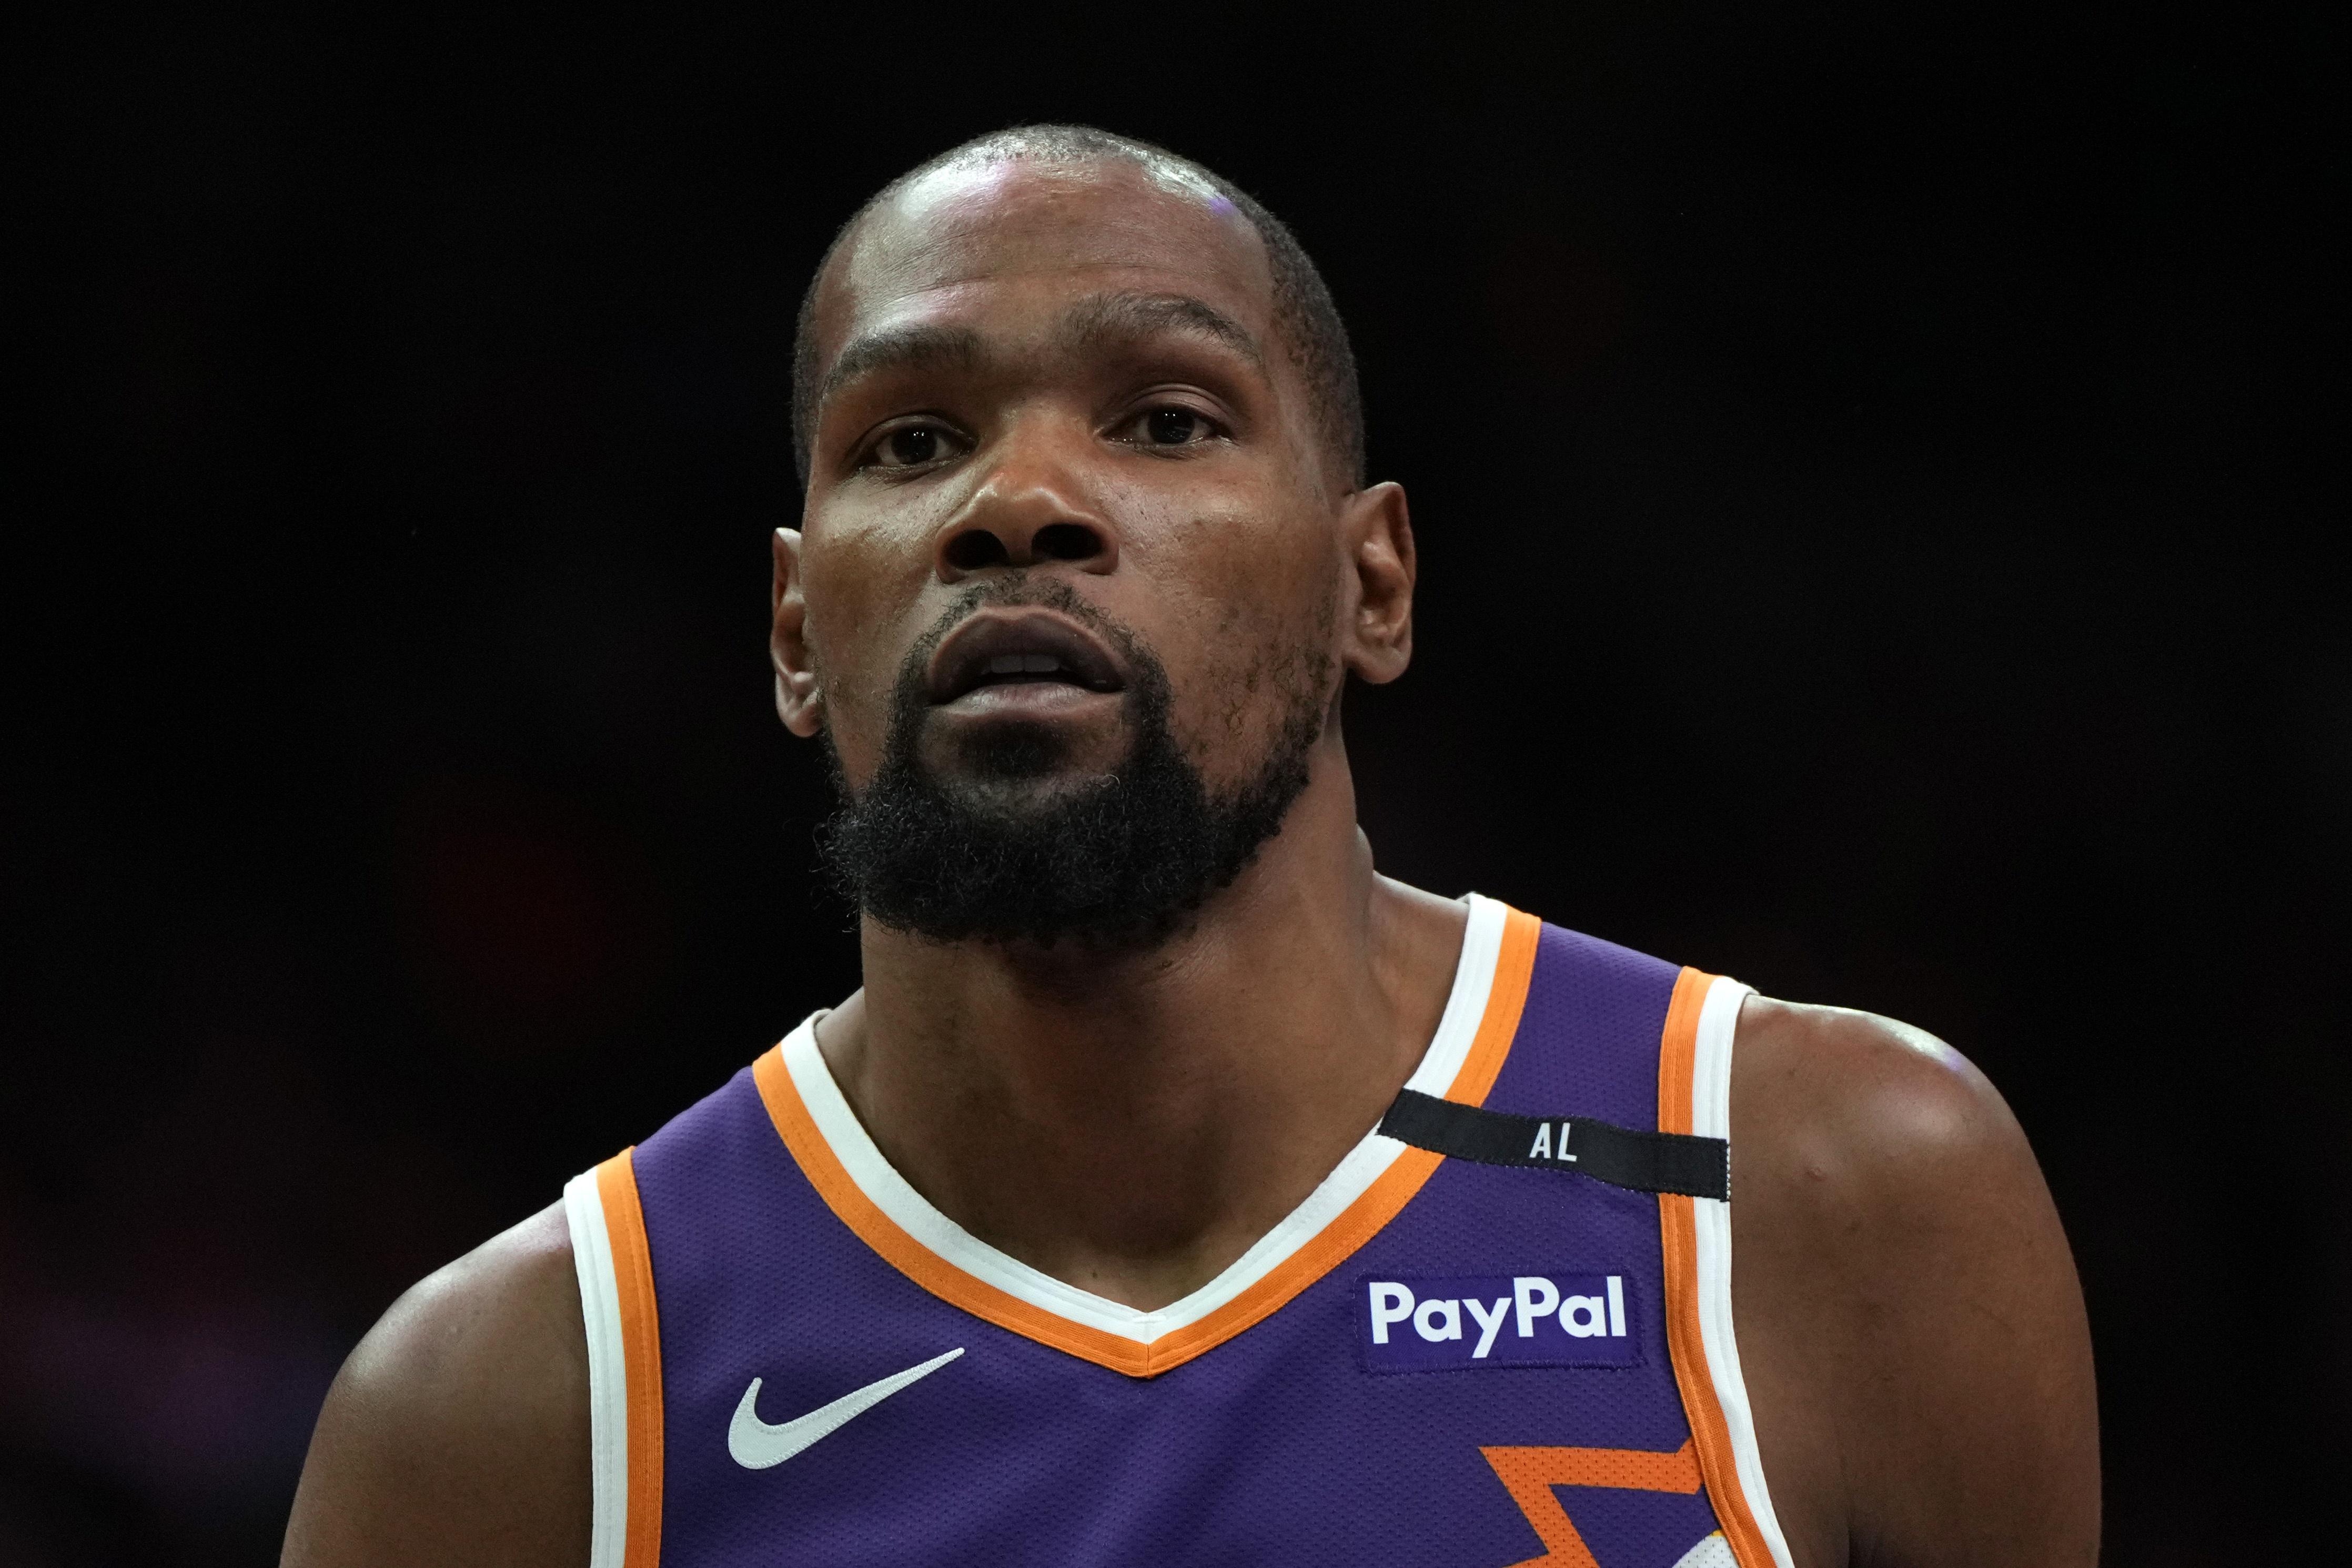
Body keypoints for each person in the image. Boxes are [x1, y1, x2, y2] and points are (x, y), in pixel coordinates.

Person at [282, 126, 2098, 1568]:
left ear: (1371, 582)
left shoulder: (1831, 1199)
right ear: (793, 630)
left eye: (1165, 420)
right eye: (911, 441)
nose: (1017, 503)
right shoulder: (516, 1416)